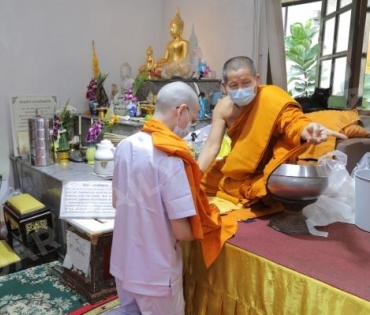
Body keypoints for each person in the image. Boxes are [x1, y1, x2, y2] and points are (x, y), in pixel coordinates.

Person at [110, 81, 235, 314]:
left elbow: (117, 202)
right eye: (193, 119)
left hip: (124, 264)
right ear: (181, 111)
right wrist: (215, 223)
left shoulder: (125, 146)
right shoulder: (171, 159)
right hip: (155, 274)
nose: (190, 127)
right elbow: (181, 232)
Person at [197, 56, 348, 208]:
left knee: (269, 186)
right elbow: (211, 147)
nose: (241, 90)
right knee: (203, 180)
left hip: (271, 165)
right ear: (224, 86)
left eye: (246, 83)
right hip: (240, 166)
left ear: (256, 80)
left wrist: (306, 130)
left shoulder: (270, 97)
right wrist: (194, 175)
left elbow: (292, 122)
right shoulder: (222, 108)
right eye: (234, 85)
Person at [156, 8, 192, 79]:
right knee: (158, 67)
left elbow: (184, 60)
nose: (171, 30)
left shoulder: (184, 43)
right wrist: (156, 63)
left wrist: (173, 65)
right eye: (170, 28)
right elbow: (165, 58)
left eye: (173, 28)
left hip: (179, 67)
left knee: (183, 68)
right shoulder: (169, 43)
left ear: (179, 29)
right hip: (169, 66)